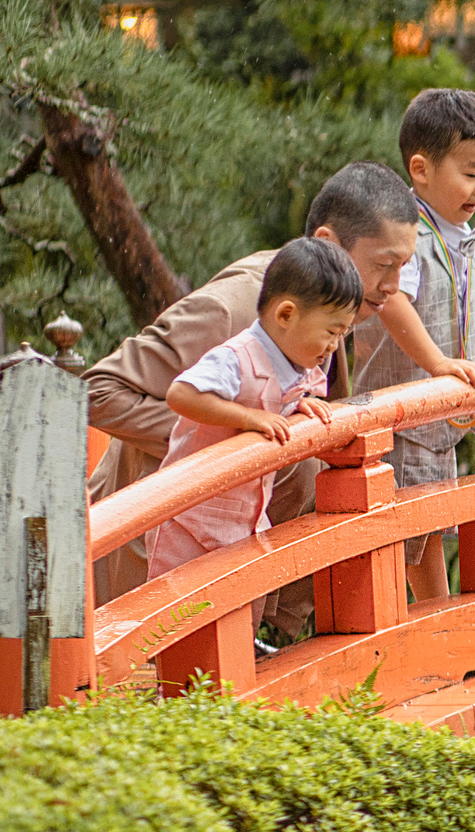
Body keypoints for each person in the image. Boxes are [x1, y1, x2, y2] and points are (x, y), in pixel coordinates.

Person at [84, 162, 421, 614]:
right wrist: (224, 433)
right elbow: (98, 392)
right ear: (326, 244)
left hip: (227, 557)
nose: (393, 286)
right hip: (144, 567)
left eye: (402, 267)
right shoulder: (238, 308)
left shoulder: (329, 307)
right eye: (384, 265)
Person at [358, 87, 475, 600]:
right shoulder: (410, 236)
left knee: (426, 529)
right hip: (402, 412)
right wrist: (437, 361)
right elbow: (393, 301)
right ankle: (428, 622)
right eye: (470, 174)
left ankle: (431, 617)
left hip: (437, 415)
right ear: (421, 169)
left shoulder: (461, 235)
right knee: (407, 533)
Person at [146, 239, 361, 587]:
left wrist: (295, 405)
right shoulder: (236, 357)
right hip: (189, 523)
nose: (335, 345)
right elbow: (181, 394)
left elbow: (279, 396)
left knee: (239, 618)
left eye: (343, 333)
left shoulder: (298, 363)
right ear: (286, 315)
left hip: (244, 523)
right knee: (181, 623)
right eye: (331, 332)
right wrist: (250, 418)